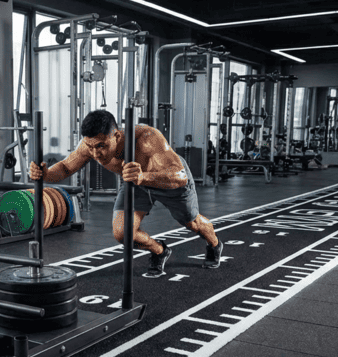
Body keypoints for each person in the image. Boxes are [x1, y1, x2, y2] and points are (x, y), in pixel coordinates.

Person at [29, 109, 223, 277]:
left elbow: (180, 176)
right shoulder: (90, 145)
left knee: (193, 223)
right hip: (135, 182)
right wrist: (45, 173)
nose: (96, 154)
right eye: (91, 147)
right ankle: (159, 250)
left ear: (117, 136)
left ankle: (214, 244)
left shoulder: (146, 138)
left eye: (101, 146)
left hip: (166, 180)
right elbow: (65, 167)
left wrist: (143, 177)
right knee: (122, 233)